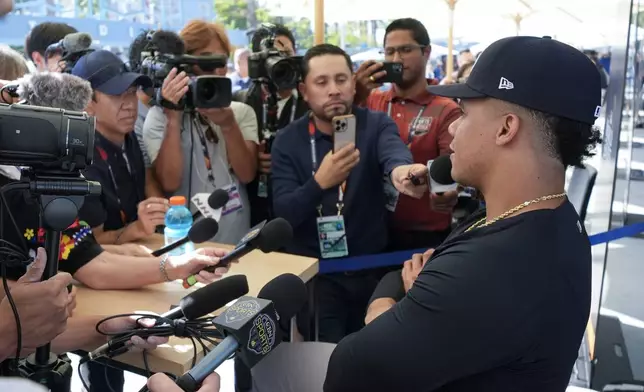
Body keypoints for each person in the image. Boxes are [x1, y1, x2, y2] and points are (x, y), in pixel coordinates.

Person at [324, 36, 601, 391]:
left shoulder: (496, 267)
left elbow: (349, 368)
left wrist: (384, 311)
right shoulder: (541, 215)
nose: (453, 126)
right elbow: (401, 275)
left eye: (465, 113)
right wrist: (410, 299)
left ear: (505, 128)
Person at [271, 43, 428, 343]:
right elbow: (284, 213)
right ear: (304, 91)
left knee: (373, 355)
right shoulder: (288, 141)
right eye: (322, 82)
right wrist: (320, 183)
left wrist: (402, 173)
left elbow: (393, 155)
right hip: (318, 280)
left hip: (372, 273)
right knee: (327, 361)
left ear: (353, 83)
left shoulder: (375, 124)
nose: (334, 90)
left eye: (341, 80)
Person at [143, 19, 259, 245]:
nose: (217, 70)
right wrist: (173, 118)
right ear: (184, 63)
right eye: (207, 61)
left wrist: (228, 125)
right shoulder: (160, 117)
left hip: (236, 236)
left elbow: (246, 174)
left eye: (222, 62)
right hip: (188, 241)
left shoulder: (241, 112)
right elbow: (168, 182)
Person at [355, 18, 461, 250]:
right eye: (390, 51)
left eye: (405, 50)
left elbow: (449, 171)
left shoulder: (446, 109)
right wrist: (357, 94)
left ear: (426, 52)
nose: (396, 59)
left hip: (424, 237)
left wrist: (445, 193)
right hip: (372, 230)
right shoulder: (371, 101)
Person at [235, 24, 309, 226]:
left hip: (302, 210)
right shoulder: (240, 102)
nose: (280, 61)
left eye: (286, 53)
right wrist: (251, 160)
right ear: (256, 61)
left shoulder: (311, 101)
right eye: (271, 55)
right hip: (254, 210)